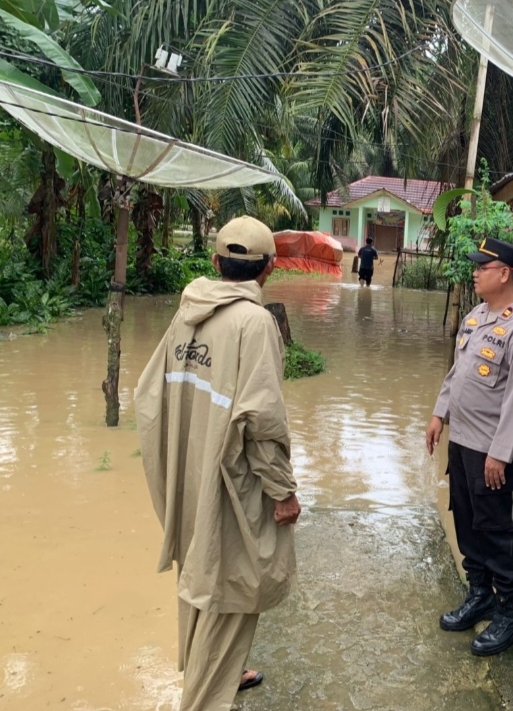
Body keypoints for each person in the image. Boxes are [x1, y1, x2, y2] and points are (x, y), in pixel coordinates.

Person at [134, 216, 302, 711]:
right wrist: (282, 491)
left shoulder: (186, 313)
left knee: (198, 576)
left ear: (215, 263)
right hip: (230, 483)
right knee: (235, 586)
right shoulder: (255, 323)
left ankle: (221, 671)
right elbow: (261, 422)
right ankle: (203, 699)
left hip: (188, 473)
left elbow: (150, 398)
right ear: (268, 269)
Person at [426, 237, 513, 656]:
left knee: (495, 529)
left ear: (506, 273)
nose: (475, 272)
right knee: (466, 519)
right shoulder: (477, 315)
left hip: (488, 449)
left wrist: (501, 452)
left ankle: (509, 615)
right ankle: (479, 594)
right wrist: (439, 413)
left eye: (483, 266)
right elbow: (457, 371)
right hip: (460, 442)